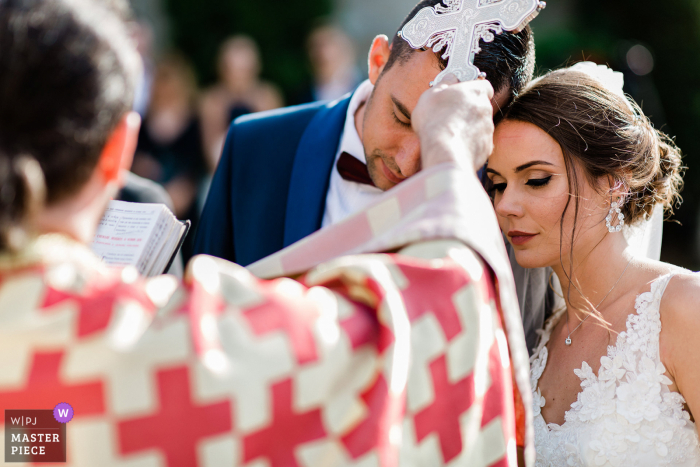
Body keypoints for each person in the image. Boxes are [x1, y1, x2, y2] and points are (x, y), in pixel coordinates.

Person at [0, 0, 534, 465]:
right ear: (120, 150)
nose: (408, 155)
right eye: (402, 117)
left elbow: (46, 435)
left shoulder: (64, 382)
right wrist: (449, 161)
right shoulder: (160, 350)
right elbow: (441, 313)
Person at [486, 62, 700, 466]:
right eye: (498, 184)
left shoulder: (684, 308)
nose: (505, 206)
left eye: (535, 180)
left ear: (614, 181)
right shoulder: (539, 340)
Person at [199, 36, 283, 171]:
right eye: (233, 70)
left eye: (244, 70)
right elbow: (211, 154)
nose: (239, 77)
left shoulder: (268, 96)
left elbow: (273, 145)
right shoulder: (212, 99)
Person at [296, 23, 362, 104]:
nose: (322, 53)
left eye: (328, 44)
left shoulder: (370, 87)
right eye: (315, 46)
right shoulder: (300, 97)